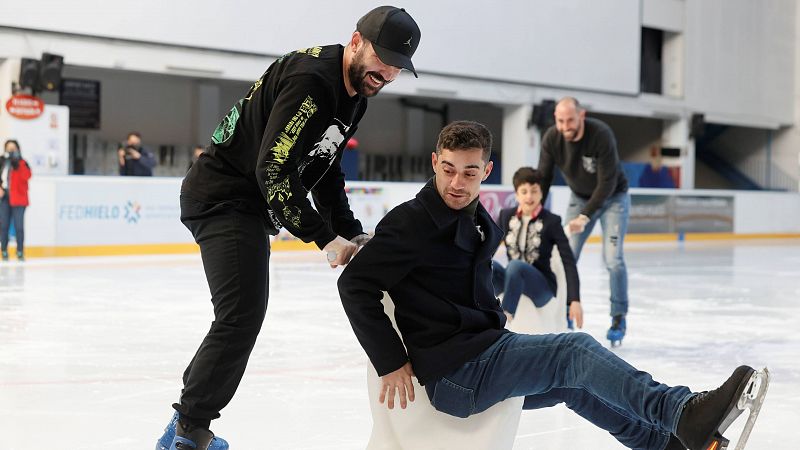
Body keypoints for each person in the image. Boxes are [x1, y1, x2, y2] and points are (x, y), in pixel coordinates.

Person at [338, 121, 768, 450]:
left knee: (575, 382)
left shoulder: (481, 221)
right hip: (456, 373)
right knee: (573, 351)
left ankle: (661, 443)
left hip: (481, 350)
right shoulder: (410, 222)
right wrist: (390, 360)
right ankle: (681, 412)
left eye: (469, 172)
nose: (456, 182)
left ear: (486, 170)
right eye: (448, 169)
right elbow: (355, 285)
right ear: (435, 162)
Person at [156, 6, 421, 450]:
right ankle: (188, 433)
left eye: (398, 66)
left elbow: (326, 167)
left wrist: (350, 231)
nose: (388, 72)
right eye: (383, 58)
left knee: (241, 313)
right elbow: (274, 170)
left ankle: (184, 425)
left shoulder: (353, 92)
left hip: (246, 203)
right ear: (356, 41)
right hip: (224, 196)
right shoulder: (313, 81)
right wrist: (325, 238)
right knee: (241, 314)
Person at [537, 97, 631, 345]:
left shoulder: (600, 134)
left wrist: (585, 215)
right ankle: (567, 308)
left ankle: (618, 317)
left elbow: (608, 182)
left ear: (582, 116)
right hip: (579, 197)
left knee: (613, 259)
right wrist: (535, 210)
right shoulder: (552, 138)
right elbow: (543, 179)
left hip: (614, 198)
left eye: (570, 120)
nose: (565, 126)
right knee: (568, 255)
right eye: (560, 121)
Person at [491, 166, 582, 328]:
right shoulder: (505, 216)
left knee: (515, 266)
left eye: (534, 191)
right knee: (488, 265)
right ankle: (479, 311)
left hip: (542, 287)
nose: (529, 196)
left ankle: (504, 318)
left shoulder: (552, 221)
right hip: (513, 280)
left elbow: (568, 261)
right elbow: (488, 248)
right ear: (517, 194)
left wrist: (574, 300)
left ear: (541, 193)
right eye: (524, 191)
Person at [0, 139, 32, 261]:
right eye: (9, 148)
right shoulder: (2, 161)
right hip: (4, 198)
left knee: (19, 226)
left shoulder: (22, 162)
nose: (11, 150)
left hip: (19, 198)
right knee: (4, 226)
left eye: (13, 148)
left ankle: (20, 251)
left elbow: (27, 177)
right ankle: (3, 251)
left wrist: (17, 162)